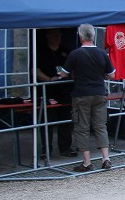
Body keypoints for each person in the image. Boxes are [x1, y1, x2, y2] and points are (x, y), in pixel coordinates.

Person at [60, 23, 116, 172]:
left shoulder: (75, 54)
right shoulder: (102, 53)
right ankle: (106, 159)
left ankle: (87, 162)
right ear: (93, 36)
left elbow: (63, 73)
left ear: (80, 36)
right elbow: (112, 74)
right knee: (100, 126)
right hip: (99, 93)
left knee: (81, 128)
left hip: (81, 94)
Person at [33, 28, 75, 158]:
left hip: (65, 90)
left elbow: (72, 70)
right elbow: (35, 70)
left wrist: (69, 78)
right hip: (48, 90)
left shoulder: (66, 51)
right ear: (47, 36)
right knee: (47, 121)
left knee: (66, 120)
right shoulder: (40, 51)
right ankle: (46, 150)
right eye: (53, 34)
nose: (56, 37)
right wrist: (50, 79)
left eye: (58, 34)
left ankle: (65, 148)